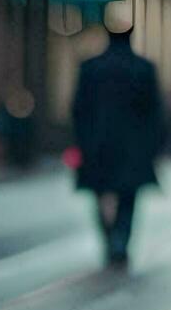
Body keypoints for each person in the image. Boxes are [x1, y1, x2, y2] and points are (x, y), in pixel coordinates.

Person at [70, 26, 165, 269]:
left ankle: (109, 236)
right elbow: (155, 114)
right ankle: (120, 240)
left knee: (99, 192)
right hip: (133, 147)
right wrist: (154, 147)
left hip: (97, 145)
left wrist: (81, 142)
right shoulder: (144, 69)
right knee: (128, 197)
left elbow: (79, 110)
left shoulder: (90, 68)